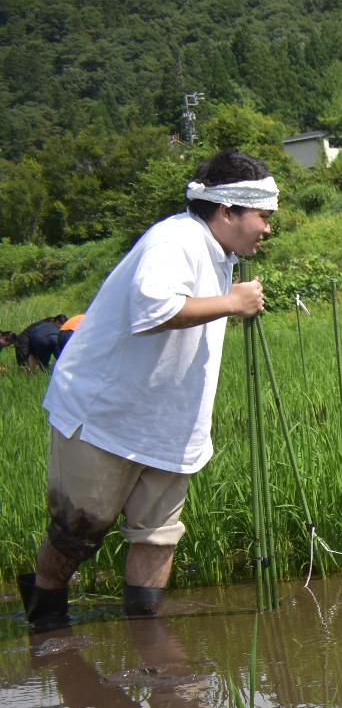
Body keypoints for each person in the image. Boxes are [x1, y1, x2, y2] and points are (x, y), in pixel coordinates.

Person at [17, 150, 272, 630]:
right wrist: (231, 303)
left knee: (158, 537)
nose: (267, 228)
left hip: (170, 426)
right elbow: (153, 309)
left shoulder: (224, 255)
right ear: (228, 211)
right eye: (263, 216)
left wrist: (229, 299)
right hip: (105, 417)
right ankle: (46, 617)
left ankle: (146, 637)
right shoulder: (174, 239)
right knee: (77, 534)